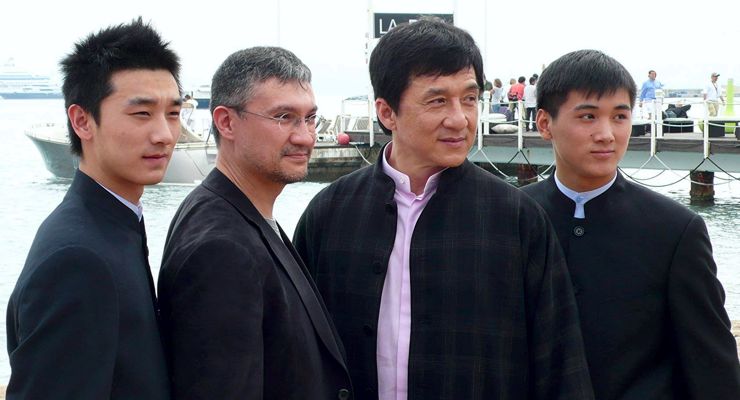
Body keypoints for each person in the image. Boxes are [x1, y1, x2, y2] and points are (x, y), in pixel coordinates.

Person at [293, 18, 593, 400]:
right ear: (387, 113)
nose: (460, 118)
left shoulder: (516, 219)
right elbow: (299, 349)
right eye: (437, 100)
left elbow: (560, 362)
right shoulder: (330, 214)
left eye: (469, 99)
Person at [522, 49, 740, 400]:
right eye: (588, 116)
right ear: (545, 123)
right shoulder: (514, 217)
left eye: (620, 116)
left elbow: (711, 361)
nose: (607, 134)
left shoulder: (674, 230)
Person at [157, 46, 352, 399]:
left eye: (310, 118)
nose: (305, 137)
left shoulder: (242, 216)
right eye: (283, 117)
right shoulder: (221, 248)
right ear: (226, 122)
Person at [5, 18, 181, 399]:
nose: (164, 135)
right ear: (82, 120)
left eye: (173, 113)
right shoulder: (78, 258)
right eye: (142, 113)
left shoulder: (113, 224)